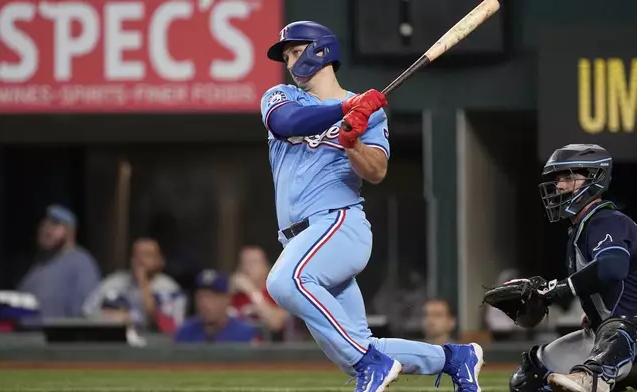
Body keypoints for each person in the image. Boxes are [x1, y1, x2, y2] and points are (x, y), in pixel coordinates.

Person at [260, 20, 483, 392]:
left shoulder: (370, 113)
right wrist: (346, 108)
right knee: (356, 347)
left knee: (284, 282)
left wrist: (352, 143)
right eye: (286, 56)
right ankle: (456, 358)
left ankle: (371, 365)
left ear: (322, 51)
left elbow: (376, 170)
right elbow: (287, 123)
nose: (290, 62)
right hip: (299, 240)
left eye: (296, 51)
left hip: (338, 225)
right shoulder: (282, 97)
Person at [506, 144, 637, 392]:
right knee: (529, 380)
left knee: (617, 327)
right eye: (558, 179)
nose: (560, 186)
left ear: (595, 179)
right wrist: (594, 313)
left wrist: (559, 289)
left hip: (628, 335)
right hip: (610, 337)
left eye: (569, 177)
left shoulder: (606, 220)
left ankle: (594, 377)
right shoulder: (583, 227)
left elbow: (612, 269)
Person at [82, 238, 186, 333]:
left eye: (147, 255)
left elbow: (168, 327)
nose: (140, 260)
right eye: (137, 255)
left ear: (159, 261)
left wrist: (143, 282)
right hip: (115, 343)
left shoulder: (169, 288)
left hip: (153, 348)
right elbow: (87, 311)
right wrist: (107, 317)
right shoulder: (113, 282)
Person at [16, 204, 100, 318]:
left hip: (56, 335)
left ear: (70, 231)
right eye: (45, 224)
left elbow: (86, 314)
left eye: (55, 224)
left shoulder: (81, 264)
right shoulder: (39, 264)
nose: (46, 229)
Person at [175, 270, 260, 343]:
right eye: (201, 297)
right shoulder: (185, 332)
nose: (204, 303)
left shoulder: (245, 333)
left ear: (227, 300)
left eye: (211, 297)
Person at [230, 245, 289, 337]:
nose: (248, 267)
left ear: (267, 267)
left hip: (264, 348)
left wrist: (251, 291)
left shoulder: (275, 292)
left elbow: (276, 324)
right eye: (244, 262)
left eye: (254, 262)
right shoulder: (233, 294)